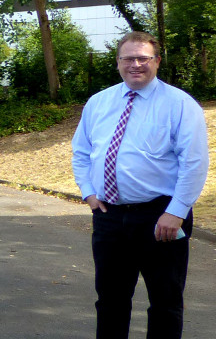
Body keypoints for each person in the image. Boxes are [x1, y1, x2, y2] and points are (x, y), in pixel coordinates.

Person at [72, 31, 208, 338]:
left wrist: (176, 212)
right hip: (109, 217)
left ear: (157, 61)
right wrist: (89, 193)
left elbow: (195, 163)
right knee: (110, 300)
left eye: (143, 58)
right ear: (118, 63)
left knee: (165, 302)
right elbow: (81, 152)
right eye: (128, 58)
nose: (136, 64)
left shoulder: (180, 105)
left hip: (161, 216)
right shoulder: (98, 103)